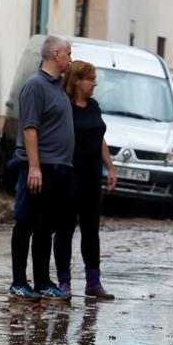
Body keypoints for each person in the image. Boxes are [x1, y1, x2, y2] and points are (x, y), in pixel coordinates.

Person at [9, 35, 75, 302]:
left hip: (58, 168)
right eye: (68, 54)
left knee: (46, 226)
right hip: (40, 168)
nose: (71, 59)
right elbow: (30, 129)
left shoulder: (58, 86)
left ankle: (42, 281)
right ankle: (18, 282)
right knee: (26, 223)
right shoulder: (35, 86)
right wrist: (34, 167)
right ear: (56, 54)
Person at [54, 60, 118, 299]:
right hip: (69, 178)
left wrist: (110, 168)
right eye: (91, 78)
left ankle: (94, 282)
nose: (95, 83)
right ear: (77, 82)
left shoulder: (94, 106)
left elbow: (100, 138)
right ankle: (64, 282)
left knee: (91, 230)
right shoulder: (63, 107)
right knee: (65, 230)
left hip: (92, 179)